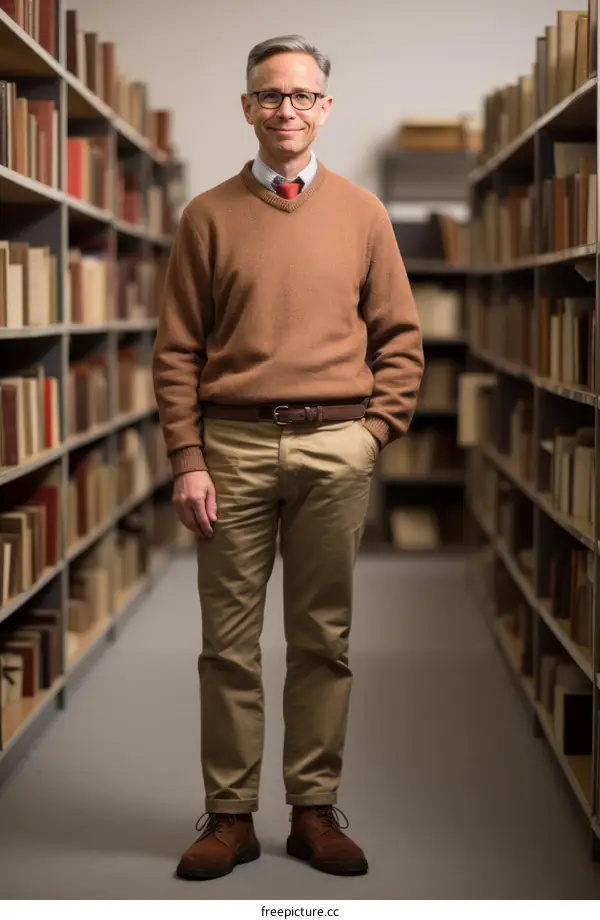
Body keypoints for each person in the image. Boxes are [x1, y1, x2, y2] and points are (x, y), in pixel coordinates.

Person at [152, 34, 424, 882]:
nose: (287, 111)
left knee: (323, 640)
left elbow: (402, 339)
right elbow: (175, 354)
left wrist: (371, 435)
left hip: (335, 446)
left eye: (304, 97)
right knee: (227, 645)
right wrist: (187, 458)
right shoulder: (205, 215)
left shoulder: (363, 212)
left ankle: (313, 811)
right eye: (271, 96)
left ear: (326, 109)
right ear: (247, 107)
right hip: (229, 448)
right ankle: (230, 818)